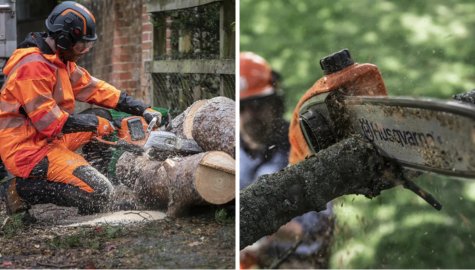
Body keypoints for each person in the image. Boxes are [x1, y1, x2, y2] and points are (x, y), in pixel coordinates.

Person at [0, 1, 162, 217]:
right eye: (80, 46)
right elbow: (49, 122)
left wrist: (142, 109)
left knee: (102, 116)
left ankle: (95, 176)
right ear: (64, 38)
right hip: (27, 150)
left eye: (88, 45)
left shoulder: (58, 61)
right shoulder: (32, 67)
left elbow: (96, 89)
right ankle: (19, 189)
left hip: (48, 140)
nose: (84, 51)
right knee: (100, 192)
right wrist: (95, 125)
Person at [239, 52, 334, 269]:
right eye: (242, 108)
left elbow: (307, 228)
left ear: (274, 103)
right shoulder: (236, 150)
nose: (249, 116)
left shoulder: (301, 147)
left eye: (256, 105)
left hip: (298, 258)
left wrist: (253, 228)